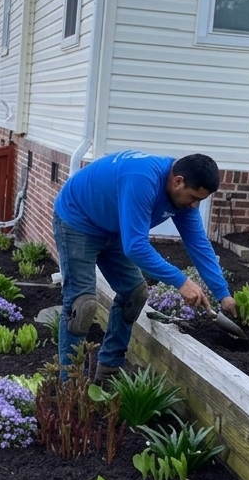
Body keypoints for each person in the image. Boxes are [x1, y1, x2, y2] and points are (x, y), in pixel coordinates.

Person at [54, 150, 237, 382]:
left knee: (135, 293)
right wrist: (181, 281)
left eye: (200, 200)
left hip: (114, 228)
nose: (194, 205)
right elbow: (135, 247)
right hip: (78, 221)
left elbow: (198, 244)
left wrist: (223, 294)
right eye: (193, 197)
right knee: (82, 305)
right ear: (178, 181)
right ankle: (69, 385)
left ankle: (108, 371)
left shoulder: (184, 202)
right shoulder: (143, 179)